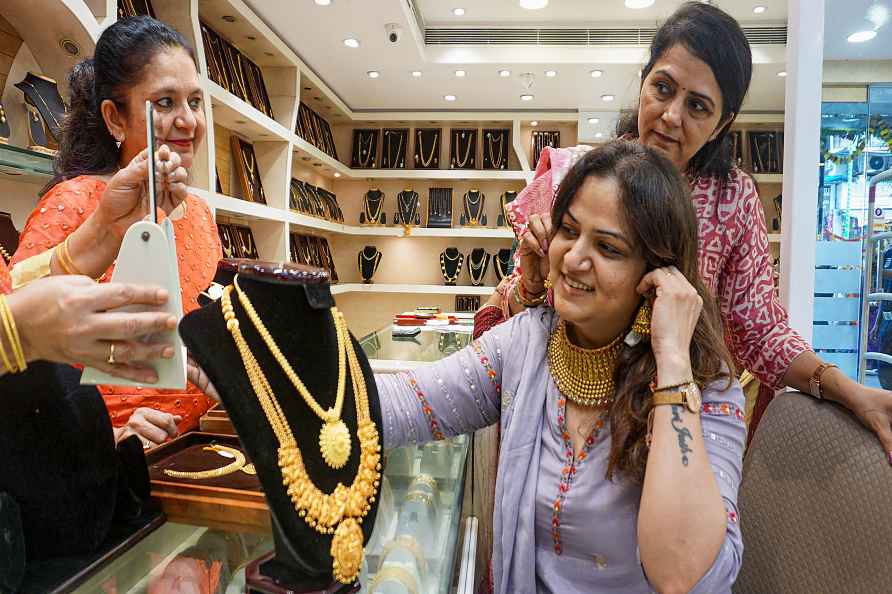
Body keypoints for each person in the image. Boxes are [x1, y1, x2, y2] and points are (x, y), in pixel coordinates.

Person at [474, 1, 892, 456]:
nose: (672, 115)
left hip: (672, 429)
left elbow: (760, 329)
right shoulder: (579, 175)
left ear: (722, 124)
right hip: (562, 424)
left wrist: (843, 389)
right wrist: (533, 284)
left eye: (697, 106)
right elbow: (523, 311)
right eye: (663, 88)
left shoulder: (731, 199)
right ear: (644, 82)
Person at [360, 142, 743, 593]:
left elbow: (683, 571)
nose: (573, 257)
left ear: (658, 273)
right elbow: (408, 402)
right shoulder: (526, 343)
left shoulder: (705, 388)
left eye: (607, 247)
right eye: (568, 230)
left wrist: (673, 363)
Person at [11, 16, 222, 445]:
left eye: (195, 102)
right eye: (165, 103)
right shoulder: (74, 203)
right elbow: (22, 371)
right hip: (110, 471)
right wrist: (111, 434)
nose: (188, 121)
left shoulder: (199, 213)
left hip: (199, 452)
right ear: (115, 118)